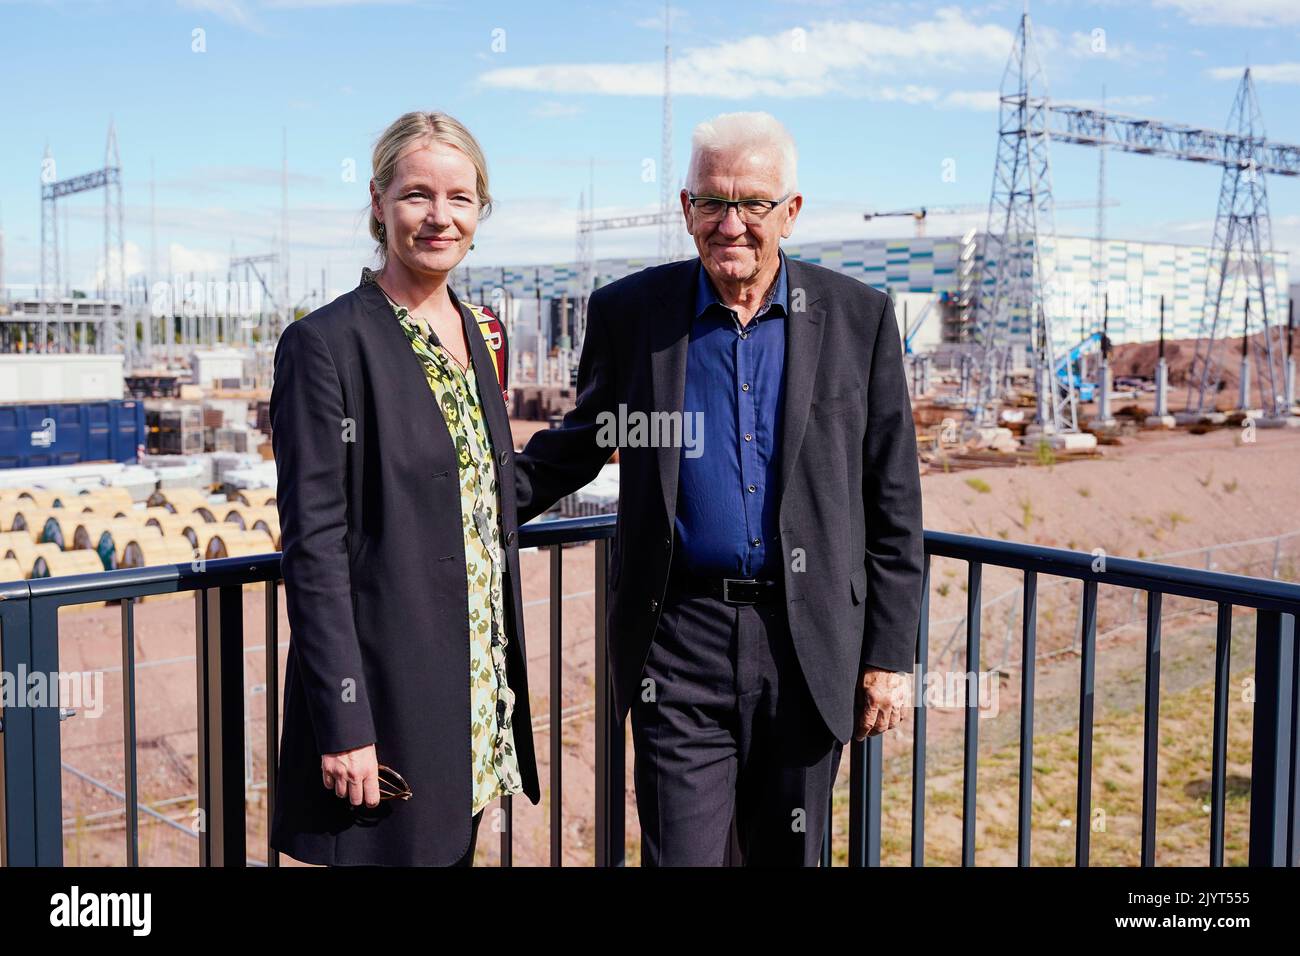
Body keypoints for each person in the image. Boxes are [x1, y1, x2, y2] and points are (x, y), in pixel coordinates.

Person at [514, 111, 923, 866]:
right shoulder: (633, 315)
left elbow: (892, 499)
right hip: (679, 645)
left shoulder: (858, 318)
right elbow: (583, 444)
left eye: (753, 203)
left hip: (810, 647)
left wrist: (890, 656)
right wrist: (457, 503)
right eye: (712, 202)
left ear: (790, 213)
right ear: (685, 209)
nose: (731, 223)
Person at [269, 111, 539, 867]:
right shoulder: (325, 345)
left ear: (481, 211)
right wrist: (346, 722)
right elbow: (314, 548)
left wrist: (604, 434)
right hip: (389, 704)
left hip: (475, 699)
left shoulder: (480, 330)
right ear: (378, 201)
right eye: (417, 194)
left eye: (460, 197)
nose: (439, 216)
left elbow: (485, 490)